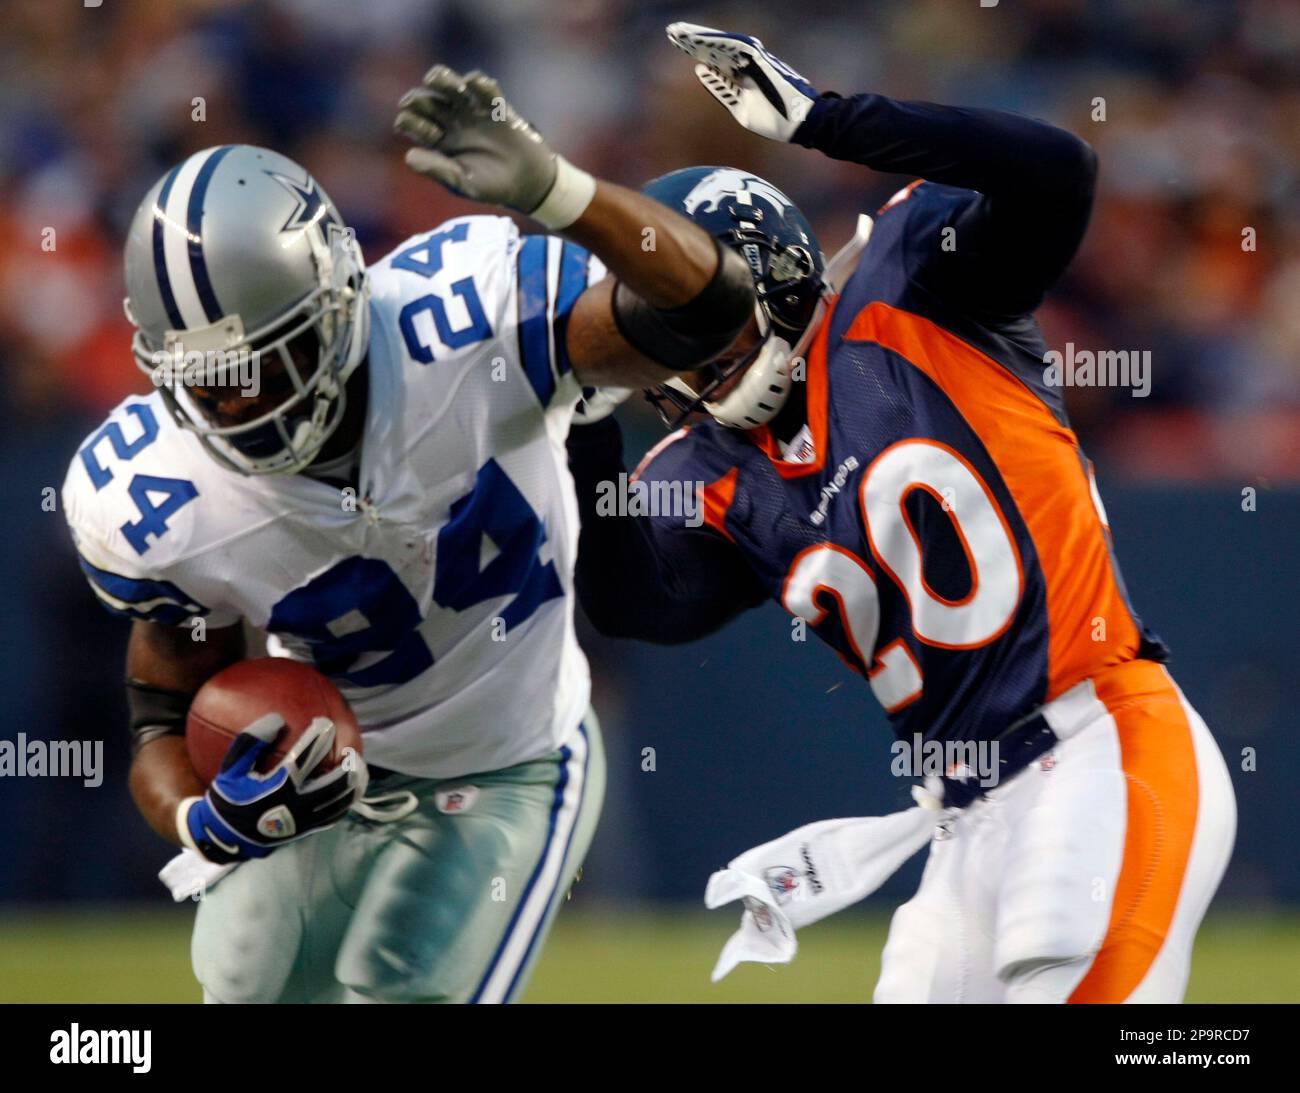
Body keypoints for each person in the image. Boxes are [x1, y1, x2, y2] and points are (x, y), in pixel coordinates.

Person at [565, 23, 1237, 1003]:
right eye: (650, 340)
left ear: (776, 272)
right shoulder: (707, 465)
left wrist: (826, 119)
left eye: (685, 322)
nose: (673, 363)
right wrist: (579, 418)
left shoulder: (914, 288)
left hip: (1097, 748)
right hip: (962, 820)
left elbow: (1056, 170)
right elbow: (643, 604)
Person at [61, 62, 758, 1003]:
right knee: (241, 982)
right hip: (323, 779)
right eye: (205, 378)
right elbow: (158, 703)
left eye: (265, 362)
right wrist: (201, 817)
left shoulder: (466, 319)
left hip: (508, 758)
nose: (235, 402)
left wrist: (564, 194)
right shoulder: (156, 492)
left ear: (338, 302)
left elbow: (707, 308)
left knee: (404, 987)